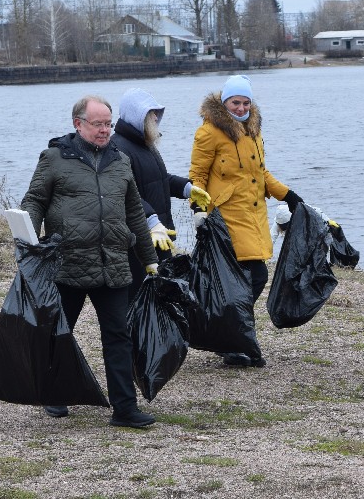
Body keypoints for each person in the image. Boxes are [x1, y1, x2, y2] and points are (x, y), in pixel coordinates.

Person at [20, 95, 161, 428]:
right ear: (78, 123)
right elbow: (35, 201)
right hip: (66, 262)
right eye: (98, 124)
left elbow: (134, 214)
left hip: (112, 264)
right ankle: (54, 395)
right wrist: (28, 244)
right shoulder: (54, 158)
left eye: (108, 124)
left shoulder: (120, 161)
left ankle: (124, 408)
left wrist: (149, 259)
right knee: (58, 332)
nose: (105, 130)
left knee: (118, 337)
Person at [188, 74, 304, 368]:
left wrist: (288, 195)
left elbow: (262, 174)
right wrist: (198, 208)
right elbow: (197, 176)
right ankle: (233, 341)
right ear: (224, 102)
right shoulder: (209, 132)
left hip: (252, 216)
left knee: (252, 279)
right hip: (225, 218)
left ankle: (230, 337)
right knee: (249, 279)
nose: (240, 108)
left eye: (245, 102)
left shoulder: (254, 130)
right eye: (235, 102)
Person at [110, 87, 211, 301]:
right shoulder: (119, 148)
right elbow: (127, 193)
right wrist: (150, 221)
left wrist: (187, 188)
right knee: (140, 300)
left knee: (161, 298)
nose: (156, 117)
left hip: (162, 236)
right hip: (138, 242)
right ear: (136, 115)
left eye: (157, 112)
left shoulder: (145, 144)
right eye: (151, 113)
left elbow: (159, 179)